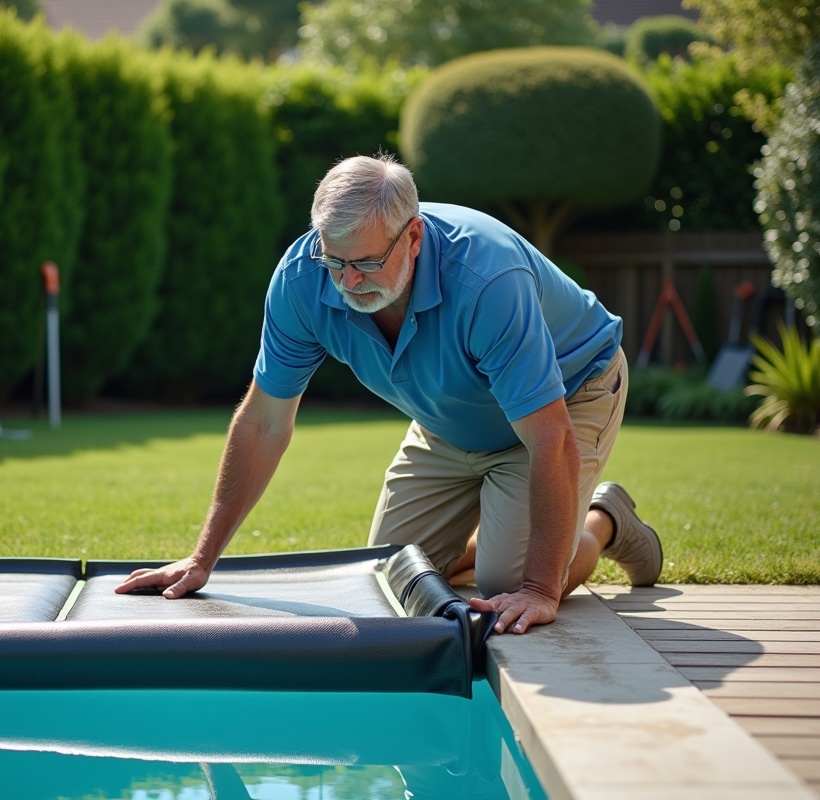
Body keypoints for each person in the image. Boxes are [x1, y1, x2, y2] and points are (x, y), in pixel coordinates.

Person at [116, 154, 661, 634]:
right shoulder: (301, 279)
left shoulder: (488, 278)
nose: (349, 282)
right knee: (393, 574)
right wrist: (202, 557)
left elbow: (550, 437)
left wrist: (541, 590)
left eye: (367, 262)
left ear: (414, 237)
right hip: (447, 417)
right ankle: (532, 534)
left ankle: (601, 519)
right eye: (335, 261)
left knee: (510, 579)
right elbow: (263, 422)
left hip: (568, 395)